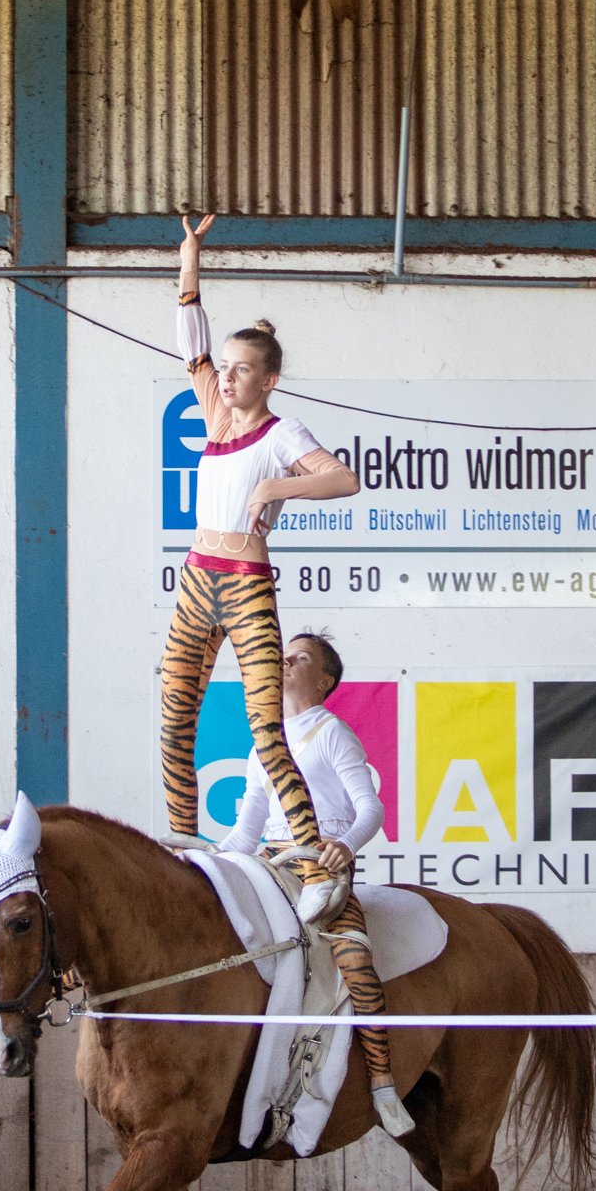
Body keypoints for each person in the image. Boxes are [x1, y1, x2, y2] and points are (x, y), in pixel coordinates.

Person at [161, 213, 359, 926]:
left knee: (265, 728)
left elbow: (343, 479)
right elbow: (190, 340)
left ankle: (314, 863)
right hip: (196, 577)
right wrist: (190, 259)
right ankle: (183, 850)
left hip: (245, 584)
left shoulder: (282, 433)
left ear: (269, 379)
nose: (228, 376)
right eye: (227, 367)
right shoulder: (215, 416)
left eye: (243, 369)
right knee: (175, 715)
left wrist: (278, 485)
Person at [218, 631, 413, 1139]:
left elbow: (371, 808)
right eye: (283, 655)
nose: (285, 662)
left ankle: (382, 1082)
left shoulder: (332, 733)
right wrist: (204, 860)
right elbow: (246, 832)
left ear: (324, 680)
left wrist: (344, 846)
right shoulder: (262, 746)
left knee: (354, 958)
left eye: (300, 658)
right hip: (270, 861)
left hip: (321, 864)